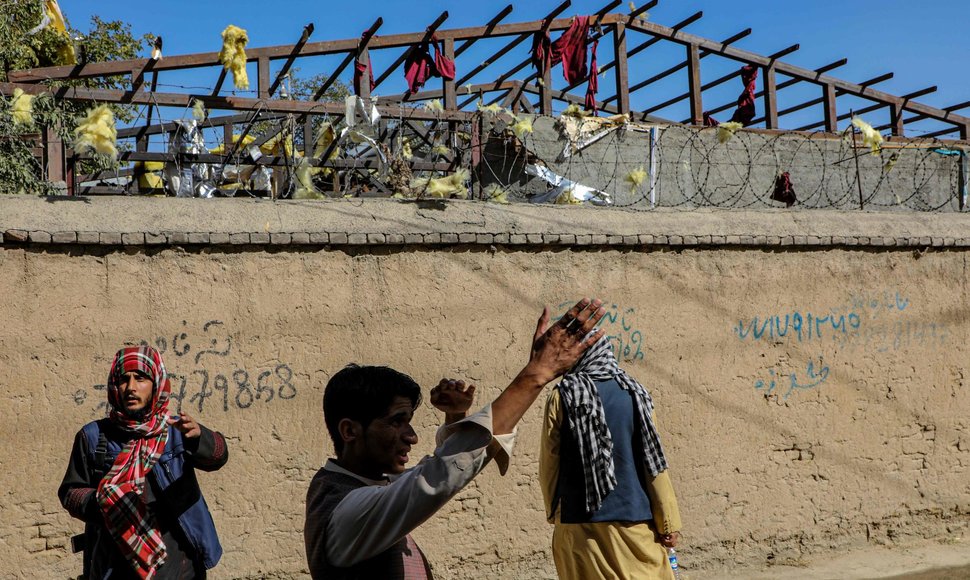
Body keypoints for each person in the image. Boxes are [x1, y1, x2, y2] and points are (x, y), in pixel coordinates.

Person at [304, 297, 607, 579]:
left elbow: (435, 471)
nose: (411, 437)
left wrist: (456, 419)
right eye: (397, 422)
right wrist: (536, 374)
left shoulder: (364, 487)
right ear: (350, 431)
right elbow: (439, 476)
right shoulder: (347, 511)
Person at [58, 345, 229, 579]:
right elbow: (70, 492)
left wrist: (202, 437)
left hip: (180, 566)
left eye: (140, 378)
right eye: (123, 380)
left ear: (156, 383)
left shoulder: (176, 430)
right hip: (115, 567)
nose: (131, 387)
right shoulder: (93, 436)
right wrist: (103, 503)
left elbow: (218, 458)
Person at [539, 335, 683, 580]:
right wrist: (668, 522)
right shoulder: (635, 394)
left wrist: (555, 512)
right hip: (634, 526)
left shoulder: (562, 395)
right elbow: (654, 464)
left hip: (577, 527)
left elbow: (550, 463)